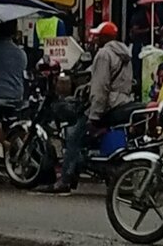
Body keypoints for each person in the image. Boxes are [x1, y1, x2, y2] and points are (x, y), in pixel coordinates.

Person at [45, 20, 133, 195]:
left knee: (73, 134)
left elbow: (100, 88)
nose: (94, 39)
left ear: (104, 38)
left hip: (109, 104)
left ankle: (65, 179)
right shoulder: (125, 54)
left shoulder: (104, 54)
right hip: (123, 101)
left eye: (97, 36)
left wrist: (94, 115)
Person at [128, 3, 151, 86]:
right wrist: (148, 30)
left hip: (146, 44)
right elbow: (134, 31)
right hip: (139, 44)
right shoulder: (138, 15)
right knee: (138, 67)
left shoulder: (152, 14)